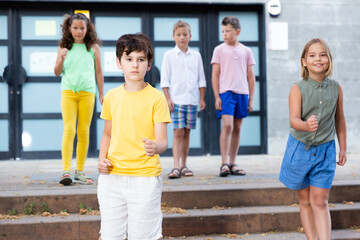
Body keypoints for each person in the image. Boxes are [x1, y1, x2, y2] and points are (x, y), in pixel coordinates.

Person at [97, 33, 171, 240]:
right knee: (111, 235)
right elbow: (107, 134)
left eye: (140, 59)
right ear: (119, 63)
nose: (135, 65)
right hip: (112, 178)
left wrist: (156, 147)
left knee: (144, 236)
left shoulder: (157, 98)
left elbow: (163, 140)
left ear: (149, 64)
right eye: (128, 59)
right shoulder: (111, 96)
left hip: (145, 178)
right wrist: (102, 159)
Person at [279, 38, 347, 240]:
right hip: (300, 149)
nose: (318, 58)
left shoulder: (336, 88)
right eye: (312, 55)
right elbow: (293, 120)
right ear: (304, 61)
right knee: (305, 200)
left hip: (326, 151)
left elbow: (340, 120)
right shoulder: (297, 88)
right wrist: (305, 125)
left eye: (323, 54)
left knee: (320, 200)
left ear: (329, 60)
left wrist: (343, 148)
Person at [54, 13, 104, 185]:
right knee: (69, 129)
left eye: (82, 28)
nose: (79, 31)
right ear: (69, 28)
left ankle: (80, 172)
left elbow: (99, 72)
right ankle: (66, 171)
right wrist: (61, 58)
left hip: (88, 93)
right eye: (75, 28)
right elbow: (56, 72)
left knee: (83, 131)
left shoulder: (93, 48)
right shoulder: (63, 46)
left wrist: (102, 93)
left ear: (87, 29)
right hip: (68, 92)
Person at [161, 20, 206, 179]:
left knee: (187, 131)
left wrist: (202, 98)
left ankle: (184, 164)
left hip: (192, 99)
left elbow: (201, 79)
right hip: (177, 99)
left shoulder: (196, 56)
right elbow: (165, 80)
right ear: (173, 36)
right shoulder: (169, 55)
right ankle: (176, 166)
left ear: (190, 36)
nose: (182, 37)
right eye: (178, 35)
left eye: (185, 34)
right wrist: (167, 98)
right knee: (177, 131)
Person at [211, 16, 255, 177]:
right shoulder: (219, 50)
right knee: (227, 126)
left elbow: (251, 76)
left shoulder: (246, 51)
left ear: (238, 32)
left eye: (228, 31)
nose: (224, 34)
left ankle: (232, 162)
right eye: (223, 31)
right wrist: (217, 96)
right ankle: (224, 163)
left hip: (242, 93)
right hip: (226, 93)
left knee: (237, 128)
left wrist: (251, 98)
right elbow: (215, 75)